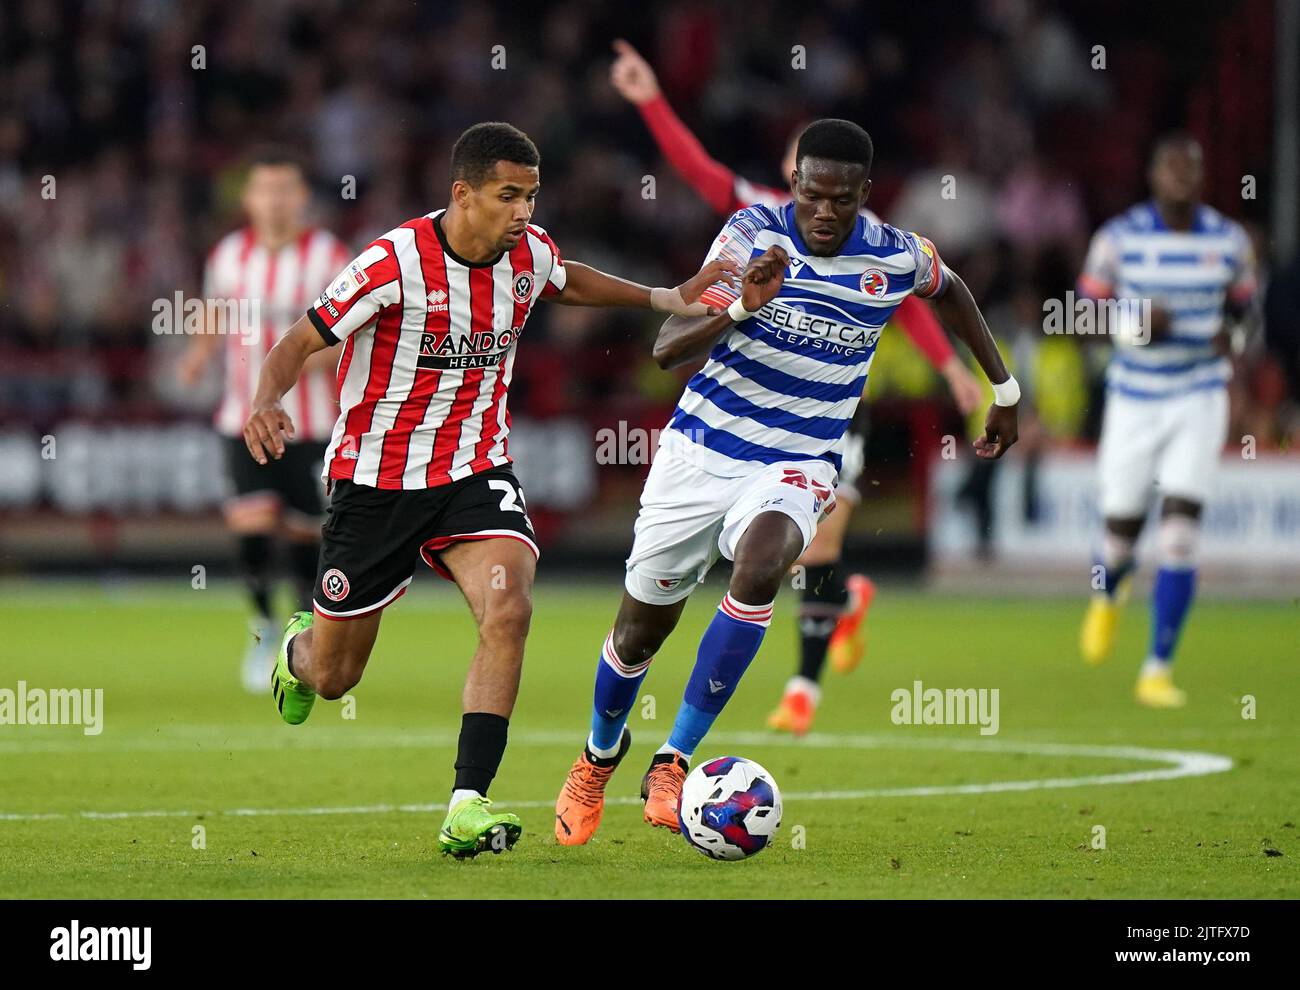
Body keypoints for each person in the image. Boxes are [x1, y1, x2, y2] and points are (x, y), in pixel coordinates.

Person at [241, 122, 733, 857]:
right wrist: (267, 400)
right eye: (509, 196)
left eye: (532, 196)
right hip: (375, 482)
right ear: (463, 194)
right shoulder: (393, 261)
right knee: (337, 676)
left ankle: (467, 802)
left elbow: (566, 279)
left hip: (475, 471)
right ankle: (299, 655)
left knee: (509, 607)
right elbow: (300, 340)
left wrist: (668, 296)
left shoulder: (527, 254)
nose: (524, 212)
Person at [554, 119, 1019, 846]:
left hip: (798, 460)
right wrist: (745, 305)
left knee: (764, 563)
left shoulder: (896, 255)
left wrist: (1006, 388)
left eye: (840, 199)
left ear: (865, 194)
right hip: (701, 453)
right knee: (639, 630)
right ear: (794, 184)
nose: (824, 212)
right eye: (811, 195)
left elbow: (952, 289)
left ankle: (673, 758)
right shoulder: (748, 237)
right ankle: (596, 758)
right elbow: (668, 346)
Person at [610, 39, 983, 734]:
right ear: (792, 172)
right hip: (730, 421)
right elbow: (696, 172)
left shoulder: (875, 244)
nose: (815, 194)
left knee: (812, 549)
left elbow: (912, 297)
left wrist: (957, 371)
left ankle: (803, 689)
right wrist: (650, 100)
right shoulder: (754, 217)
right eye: (800, 173)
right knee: (790, 562)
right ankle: (838, 609)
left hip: (829, 417)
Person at [1077, 134, 1257, 707]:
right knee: (1120, 534)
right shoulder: (1119, 239)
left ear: (1203, 177)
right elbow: (1082, 314)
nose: (1181, 176)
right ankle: (1107, 595)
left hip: (1198, 396)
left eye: (1192, 167)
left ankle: (1157, 667)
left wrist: (1229, 341)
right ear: (1153, 176)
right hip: (1133, 396)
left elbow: (1246, 317)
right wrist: (1134, 323)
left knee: (1179, 533)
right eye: (1171, 167)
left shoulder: (1230, 243)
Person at [179, 149, 349, 692]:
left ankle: (299, 635)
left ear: (302, 198)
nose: (274, 201)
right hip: (242, 419)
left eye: (285, 190)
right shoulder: (229, 255)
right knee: (251, 526)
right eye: (264, 190)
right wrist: (200, 355)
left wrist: (294, 369)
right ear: (249, 199)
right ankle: (263, 626)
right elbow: (214, 309)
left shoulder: (327, 256)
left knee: (303, 533)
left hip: (312, 424)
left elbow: (349, 333)